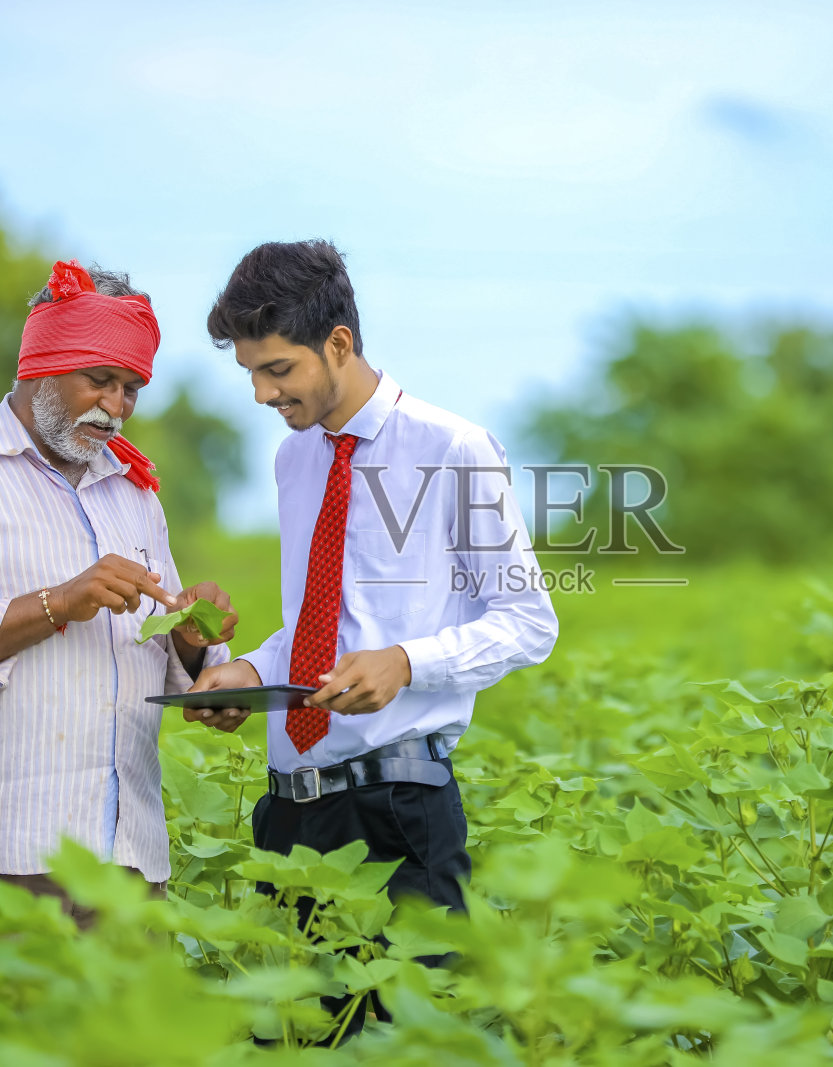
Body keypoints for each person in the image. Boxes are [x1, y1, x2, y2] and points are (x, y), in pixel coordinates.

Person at [186, 239, 559, 1034]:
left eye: (278, 369)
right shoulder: (295, 461)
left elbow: (528, 621)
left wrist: (408, 663)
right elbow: (326, 619)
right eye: (251, 372)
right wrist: (253, 667)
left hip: (398, 816)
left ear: (340, 343)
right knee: (295, 1044)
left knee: (404, 1046)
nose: (260, 392)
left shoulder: (452, 449)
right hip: (290, 818)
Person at [0, 260, 237, 1056]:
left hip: (127, 868)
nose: (116, 406)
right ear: (39, 364)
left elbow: (163, 656)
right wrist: (56, 603)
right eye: (97, 380)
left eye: (131, 386)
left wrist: (194, 639)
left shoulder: (134, 494)